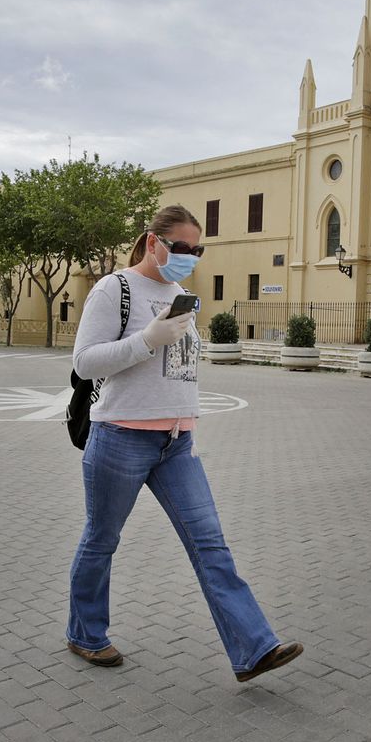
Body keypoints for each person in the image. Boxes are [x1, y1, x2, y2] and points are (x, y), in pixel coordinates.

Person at [65, 204, 302, 683]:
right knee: (102, 540)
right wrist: (147, 339)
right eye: (181, 248)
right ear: (153, 243)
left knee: (210, 543)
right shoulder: (116, 289)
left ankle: (254, 648)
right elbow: (86, 363)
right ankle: (85, 633)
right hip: (121, 438)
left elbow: (179, 368)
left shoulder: (181, 294)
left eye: (198, 250)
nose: (190, 256)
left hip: (176, 443)